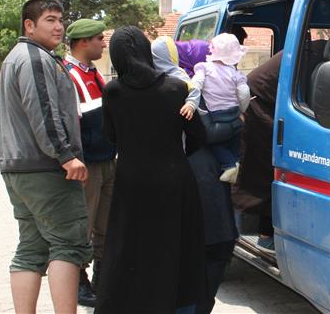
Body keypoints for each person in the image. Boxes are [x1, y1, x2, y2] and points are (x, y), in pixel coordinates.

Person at [95, 26, 207, 314]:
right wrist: (175, 157)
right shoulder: (176, 88)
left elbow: (110, 135)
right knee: (175, 247)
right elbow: (198, 135)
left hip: (131, 182)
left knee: (132, 249)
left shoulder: (113, 92)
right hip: (174, 181)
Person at [0, 0, 92, 314]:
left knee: (31, 248)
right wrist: (66, 156)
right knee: (68, 245)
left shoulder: (16, 57)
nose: (59, 26)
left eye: (60, 20)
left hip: (18, 167)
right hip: (46, 169)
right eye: (50, 20)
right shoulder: (35, 59)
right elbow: (44, 112)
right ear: (29, 25)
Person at [151, 36, 239, 314]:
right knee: (213, 248)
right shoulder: (184, 86)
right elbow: (206, 132)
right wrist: (237, 123)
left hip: (185, 176)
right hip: (200, 178)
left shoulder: (163, 83)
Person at [63, 18, 116, 307]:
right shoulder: (69, 75)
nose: (103, 43)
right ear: (84, 42)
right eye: (99, 38)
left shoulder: (93, 72)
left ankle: (102, 280)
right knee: (84, 224)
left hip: (106, 160)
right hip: (88, 165)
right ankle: (79, 283)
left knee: (106, 224)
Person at [181, 33, 250, 183]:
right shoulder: (236, 74)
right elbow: (244, 93)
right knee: (234, 138)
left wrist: (191, 102)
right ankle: (235, 161)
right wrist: (242, 110)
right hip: (234, 114)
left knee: (214, 142)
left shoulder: (204, 68)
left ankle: (229, 165)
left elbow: (196, 84)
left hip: (217, 116)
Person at [235, 50, 283, 252]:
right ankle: (264, 235)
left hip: (263, 104)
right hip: (257, 106)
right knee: (267, 171)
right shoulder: (310, 56)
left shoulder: (311, 52)